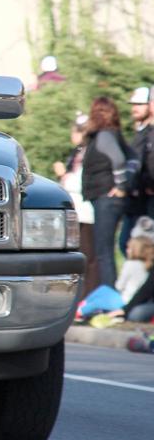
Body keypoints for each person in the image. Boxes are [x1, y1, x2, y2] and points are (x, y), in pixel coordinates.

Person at [82, 96, 136, 287]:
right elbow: (133, 160)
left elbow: (120, 160)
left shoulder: (104, 135)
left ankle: (109, 298)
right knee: (107, 250)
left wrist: (121, 186)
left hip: (107, 198)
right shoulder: (113, 134)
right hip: (107, 198)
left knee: (103, 251)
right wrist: (127, 179)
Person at [52, 112, 98, 295]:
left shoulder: (89, 153)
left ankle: (88, 294)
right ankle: (80, 293)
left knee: (88, 256)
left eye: (79, 131)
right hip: (77, 211)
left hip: (87, 212)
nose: (75, 134)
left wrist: (63, 175)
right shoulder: (78, 152)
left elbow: (82, 182)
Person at [118, 86, 154, 256]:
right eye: (133, 104)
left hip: (147, 200)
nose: (135, 108)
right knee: (126, 243)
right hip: (135, 199)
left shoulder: (149, 133)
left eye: (140, 104)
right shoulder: (140, 133)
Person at [116, 236, 154, 304]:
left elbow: (119, 286)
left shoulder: (129, 264)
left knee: (102, 291)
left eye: (129, 248)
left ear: (135, 250)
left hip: (125, 300)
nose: (126, 250)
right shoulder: (149, 265)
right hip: (142, 302)